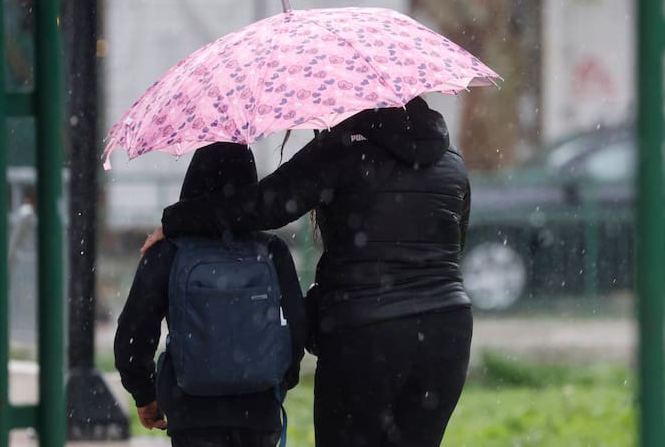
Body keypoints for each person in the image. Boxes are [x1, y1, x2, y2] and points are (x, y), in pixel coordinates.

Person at [143, 97, 473, 447]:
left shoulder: (342, 149)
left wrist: (177, 219)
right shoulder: (452, 161)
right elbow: (455, 244)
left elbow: (262, 205)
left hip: (364, 332)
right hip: (446, 330)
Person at [114, 142, 306, 447]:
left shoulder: (167, 251)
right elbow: (296, 329)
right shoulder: (272, 251)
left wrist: (145, 394)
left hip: (191, 413)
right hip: (257, 412)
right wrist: (278, 383)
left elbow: (133, 335)